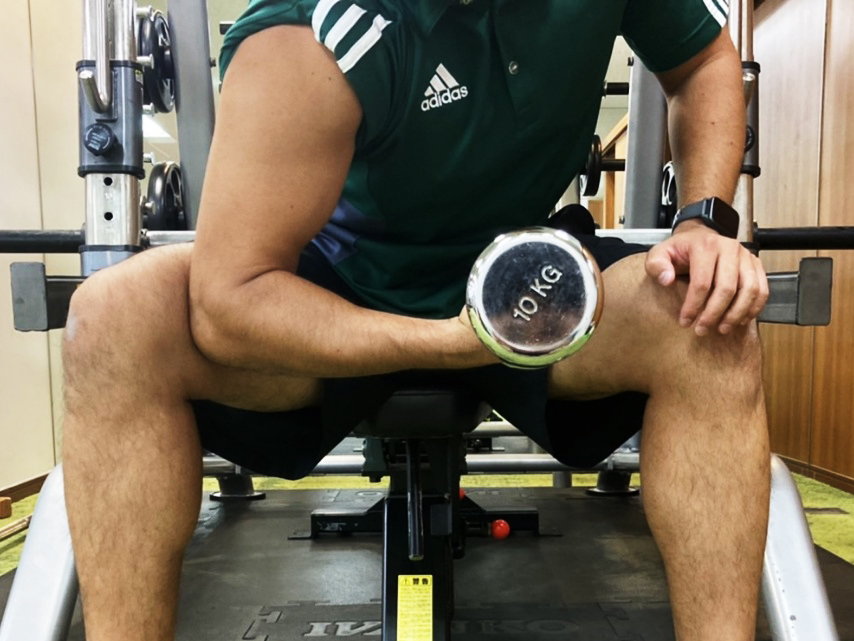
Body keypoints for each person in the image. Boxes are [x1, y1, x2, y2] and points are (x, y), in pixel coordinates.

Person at [61, 1, 770, 640]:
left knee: (707, 317)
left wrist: (703, 221)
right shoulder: (307, 33)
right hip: (339, 286)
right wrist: (454, 341)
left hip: (524, 267)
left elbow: (703, 61)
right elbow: (230, 301)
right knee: (113, 319)